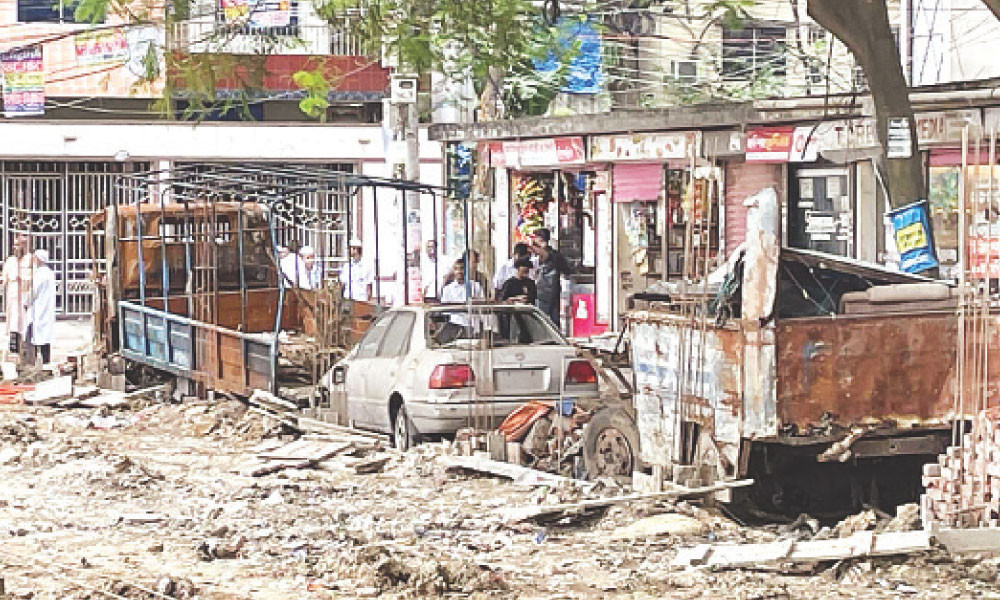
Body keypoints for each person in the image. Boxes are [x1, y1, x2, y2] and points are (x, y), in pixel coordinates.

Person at [531, 228, 572, 328]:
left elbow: (566, 271)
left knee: (550, 318)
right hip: (540, 292)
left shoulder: (554, 256)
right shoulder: (535, 255)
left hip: (551, 292)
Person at [2, 235, 32, 357]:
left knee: (24, 319)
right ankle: (13, 345)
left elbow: (32, 276)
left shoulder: (29, 260)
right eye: (15, 245)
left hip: (24, 292)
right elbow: (5, 277)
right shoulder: (10, 261)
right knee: (13, 319)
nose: (16, 248)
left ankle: (25, 345)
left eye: (19, 245)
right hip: (13, 291)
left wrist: (24, 280)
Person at [25, 249, 55, 366]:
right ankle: (46, 361)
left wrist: (26, 302)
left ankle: (33, 361)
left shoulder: (40, 274)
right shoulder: (49, 273)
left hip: (39, 307)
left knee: (36, 335)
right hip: (47, 307)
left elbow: (33, 292)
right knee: (45, 336)